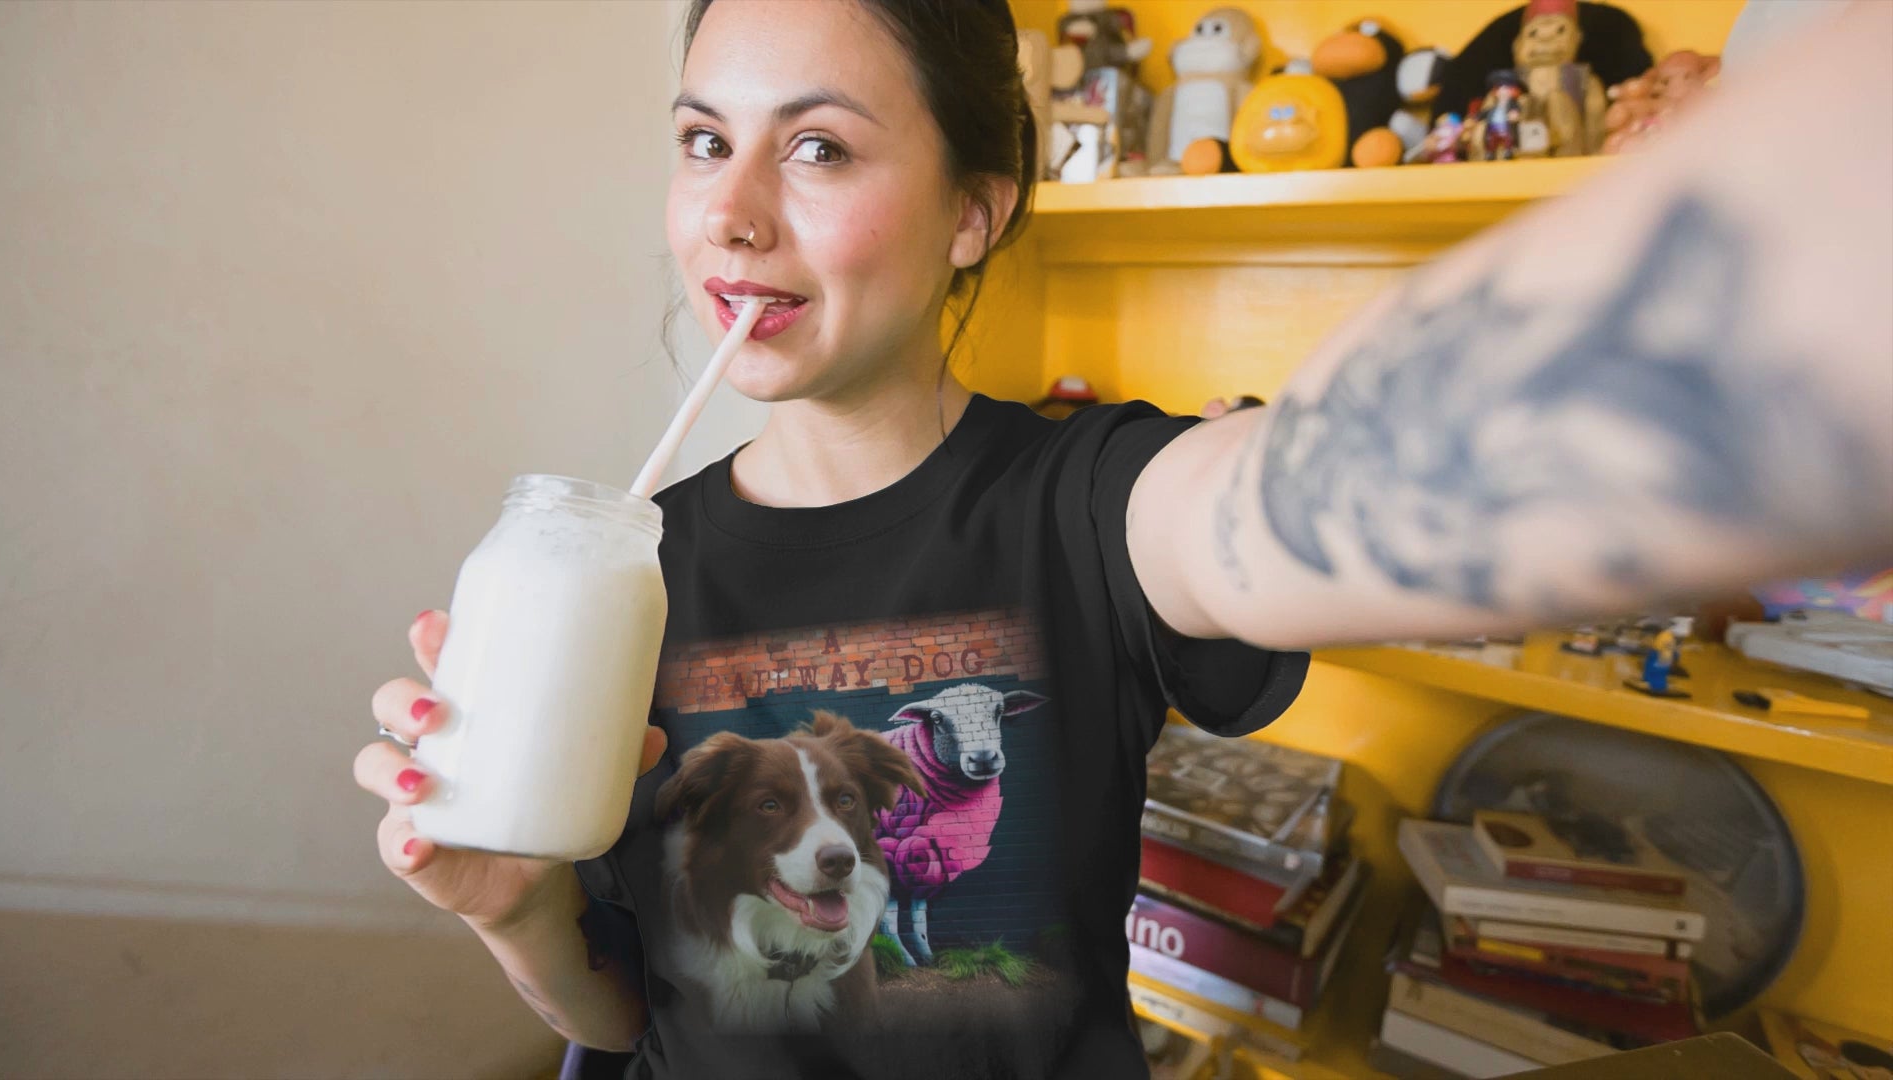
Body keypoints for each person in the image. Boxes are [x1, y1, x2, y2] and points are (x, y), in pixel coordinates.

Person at [353, 1, 1892, 1077]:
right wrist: (522, 913)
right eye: (703, 142)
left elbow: (1300, 491)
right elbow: (627, 1023)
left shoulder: (1095, 503)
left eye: (817, 149)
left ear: (976, 211)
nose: (730, 216)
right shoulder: (628, 570)